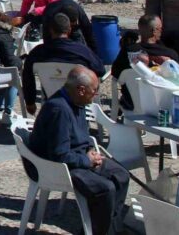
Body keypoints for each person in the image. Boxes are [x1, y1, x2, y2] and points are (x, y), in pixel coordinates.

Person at [28, 67, 130, 235]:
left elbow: (82, 137)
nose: (96, 94)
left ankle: (111, 228)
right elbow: (59, 155)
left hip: (77, 156)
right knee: (105, 189)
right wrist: (87, 161)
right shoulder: (59, 109)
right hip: (56, 166)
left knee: (121, 175)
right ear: (81, 90)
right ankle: (100, 231)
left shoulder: (78, 101)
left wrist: (91, 151)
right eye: (94, 90)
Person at [22, 13, 104, 114]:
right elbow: (100, 70)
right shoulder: (82, 51)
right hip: (78, 105)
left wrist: (30, 102)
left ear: (51, 30)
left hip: (50, 103)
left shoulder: (37, 52)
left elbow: (27, 76)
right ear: (69, 30)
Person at [111, 15, 178, 110]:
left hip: (132, 103)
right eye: (160, 28)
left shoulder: (127, 52)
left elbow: (115, 74)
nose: (162, 31)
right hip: (163, 106)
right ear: (154, 31)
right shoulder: (170, 55)